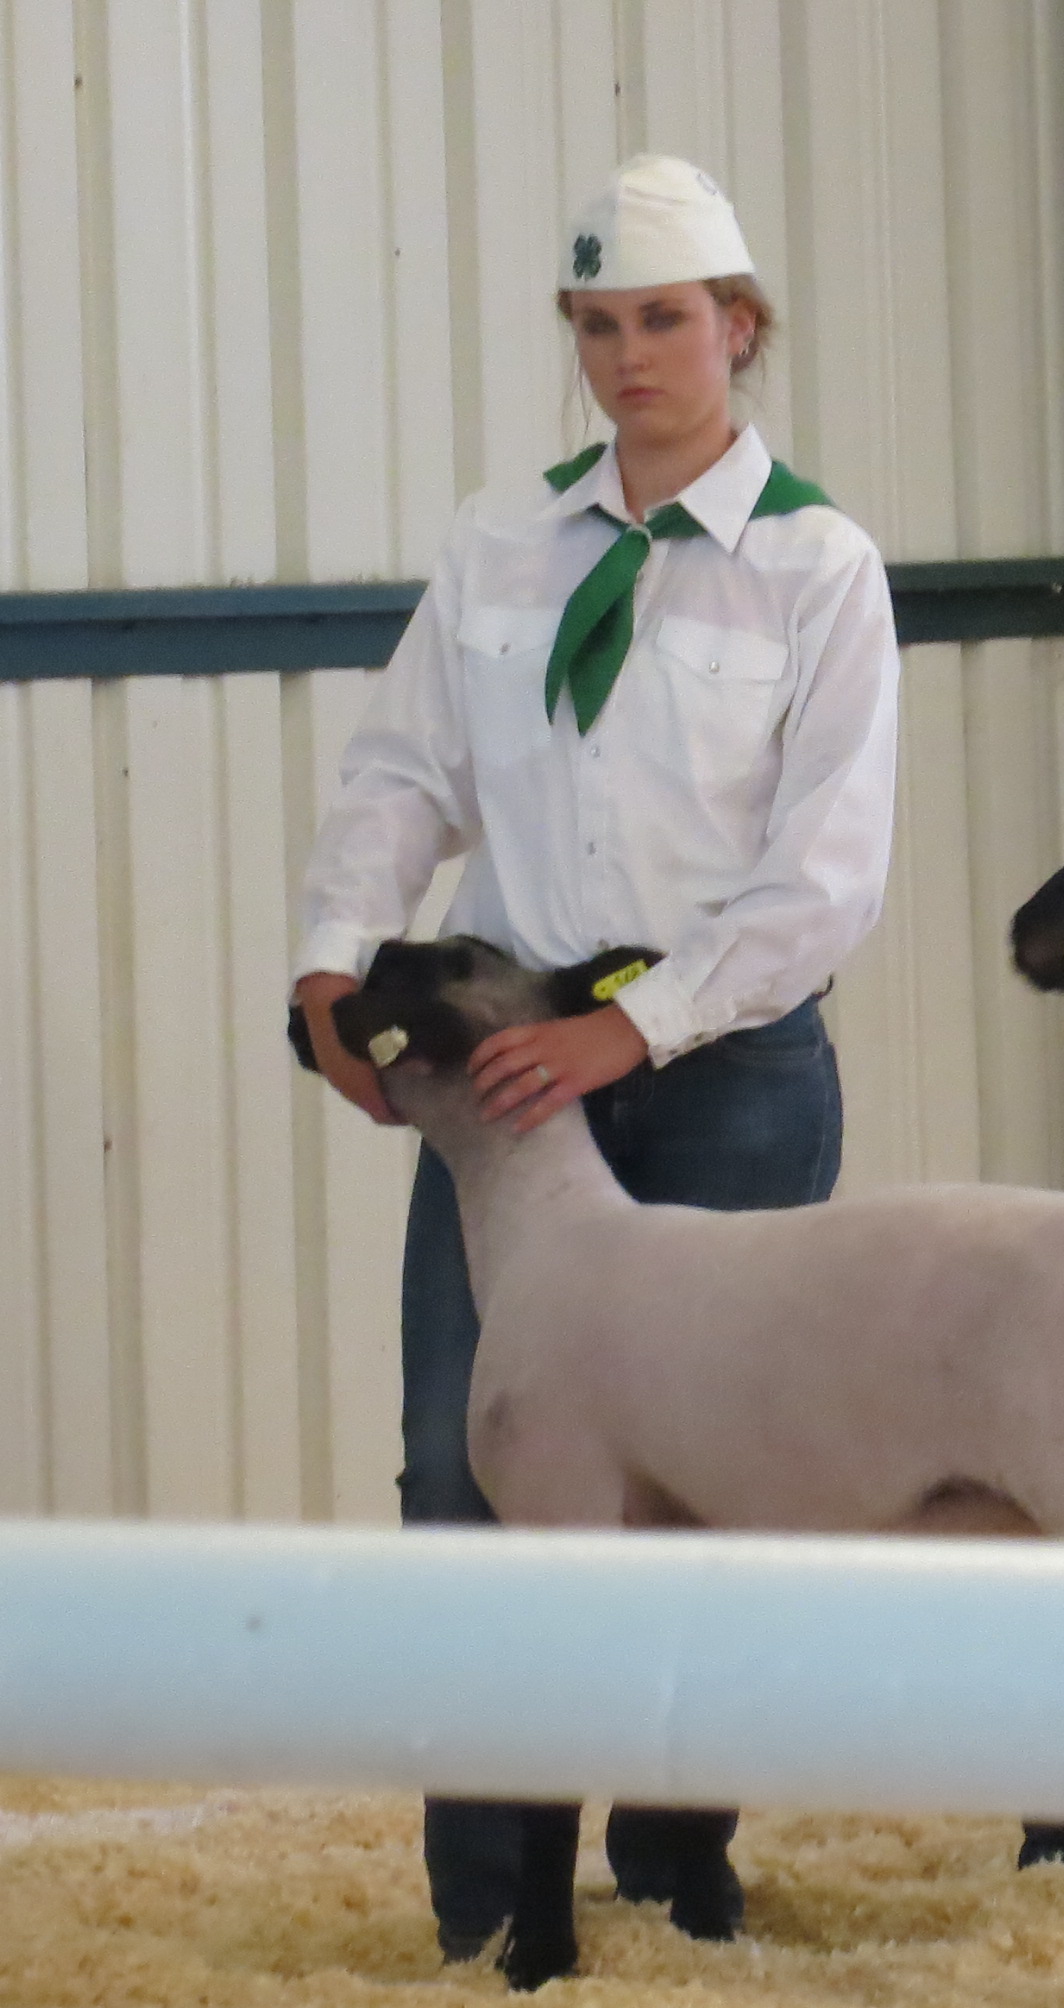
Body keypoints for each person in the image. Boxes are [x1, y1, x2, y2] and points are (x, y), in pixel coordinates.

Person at [290, 154, 898, 1961]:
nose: (628, 355)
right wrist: (330, 969)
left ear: (740, 329)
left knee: (709, 1464)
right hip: (502, 1076)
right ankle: (485, 1896)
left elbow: (828, 872)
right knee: (460, 1453)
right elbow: (405, 773)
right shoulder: (497, 540)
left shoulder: (817, 566)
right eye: (596, 324)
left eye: (662, 319)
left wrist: (626, 1026)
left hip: (725, 1064)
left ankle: (676, 1854)